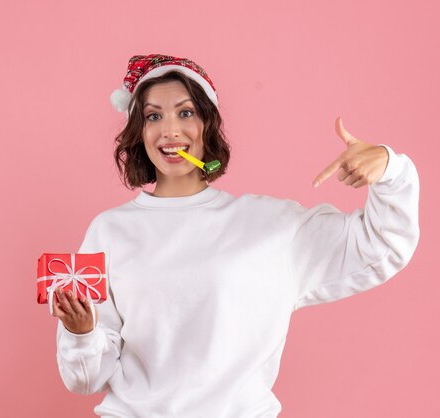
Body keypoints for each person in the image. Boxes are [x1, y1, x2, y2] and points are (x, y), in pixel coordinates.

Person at [49, 54, 420, 417]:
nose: (170, 130)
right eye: (153, 116)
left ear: (208, 125)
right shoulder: (109, 231)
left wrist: (391, 169)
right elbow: (85, 379)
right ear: (140, 132)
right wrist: (81, 333)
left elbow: (381, 246)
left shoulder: (269, 225)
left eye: (185, 112)